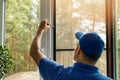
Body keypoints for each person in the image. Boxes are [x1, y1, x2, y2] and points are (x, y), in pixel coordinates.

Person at [30, 20, 112, 80]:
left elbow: (35, 52)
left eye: (77, 45)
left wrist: (40, 30)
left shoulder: (59, 74)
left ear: (78, 50)